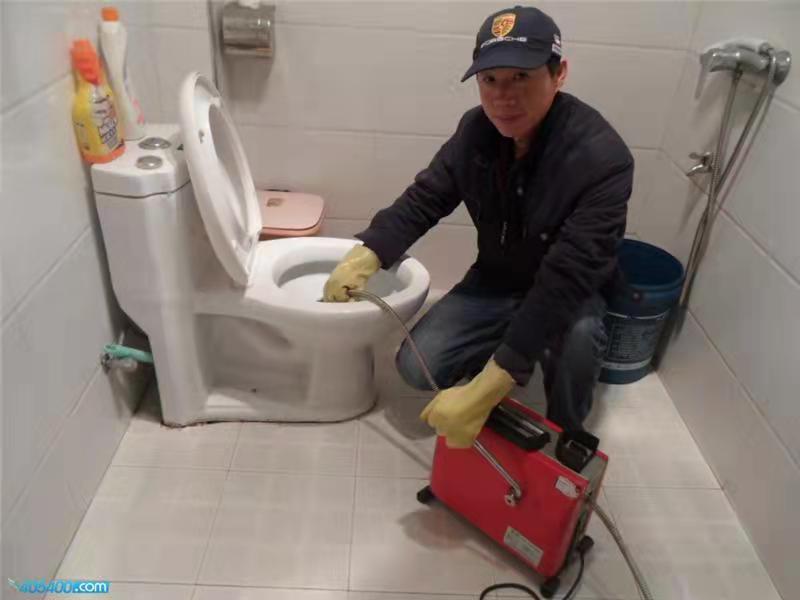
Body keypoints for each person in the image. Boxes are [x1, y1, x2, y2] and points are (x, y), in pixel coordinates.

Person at [322, 5, 634, 448]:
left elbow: (568, 275)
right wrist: (368, 252)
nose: (503, 97)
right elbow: (426, 198)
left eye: (521, 77)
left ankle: (567, 432)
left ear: (559, 74)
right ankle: (503, 351)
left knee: (578, 341)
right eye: (490, 80)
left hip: (569, 291)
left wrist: (495, 382)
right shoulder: (476, 131)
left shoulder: (602, 159)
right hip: (495, 281)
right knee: (416, 366)